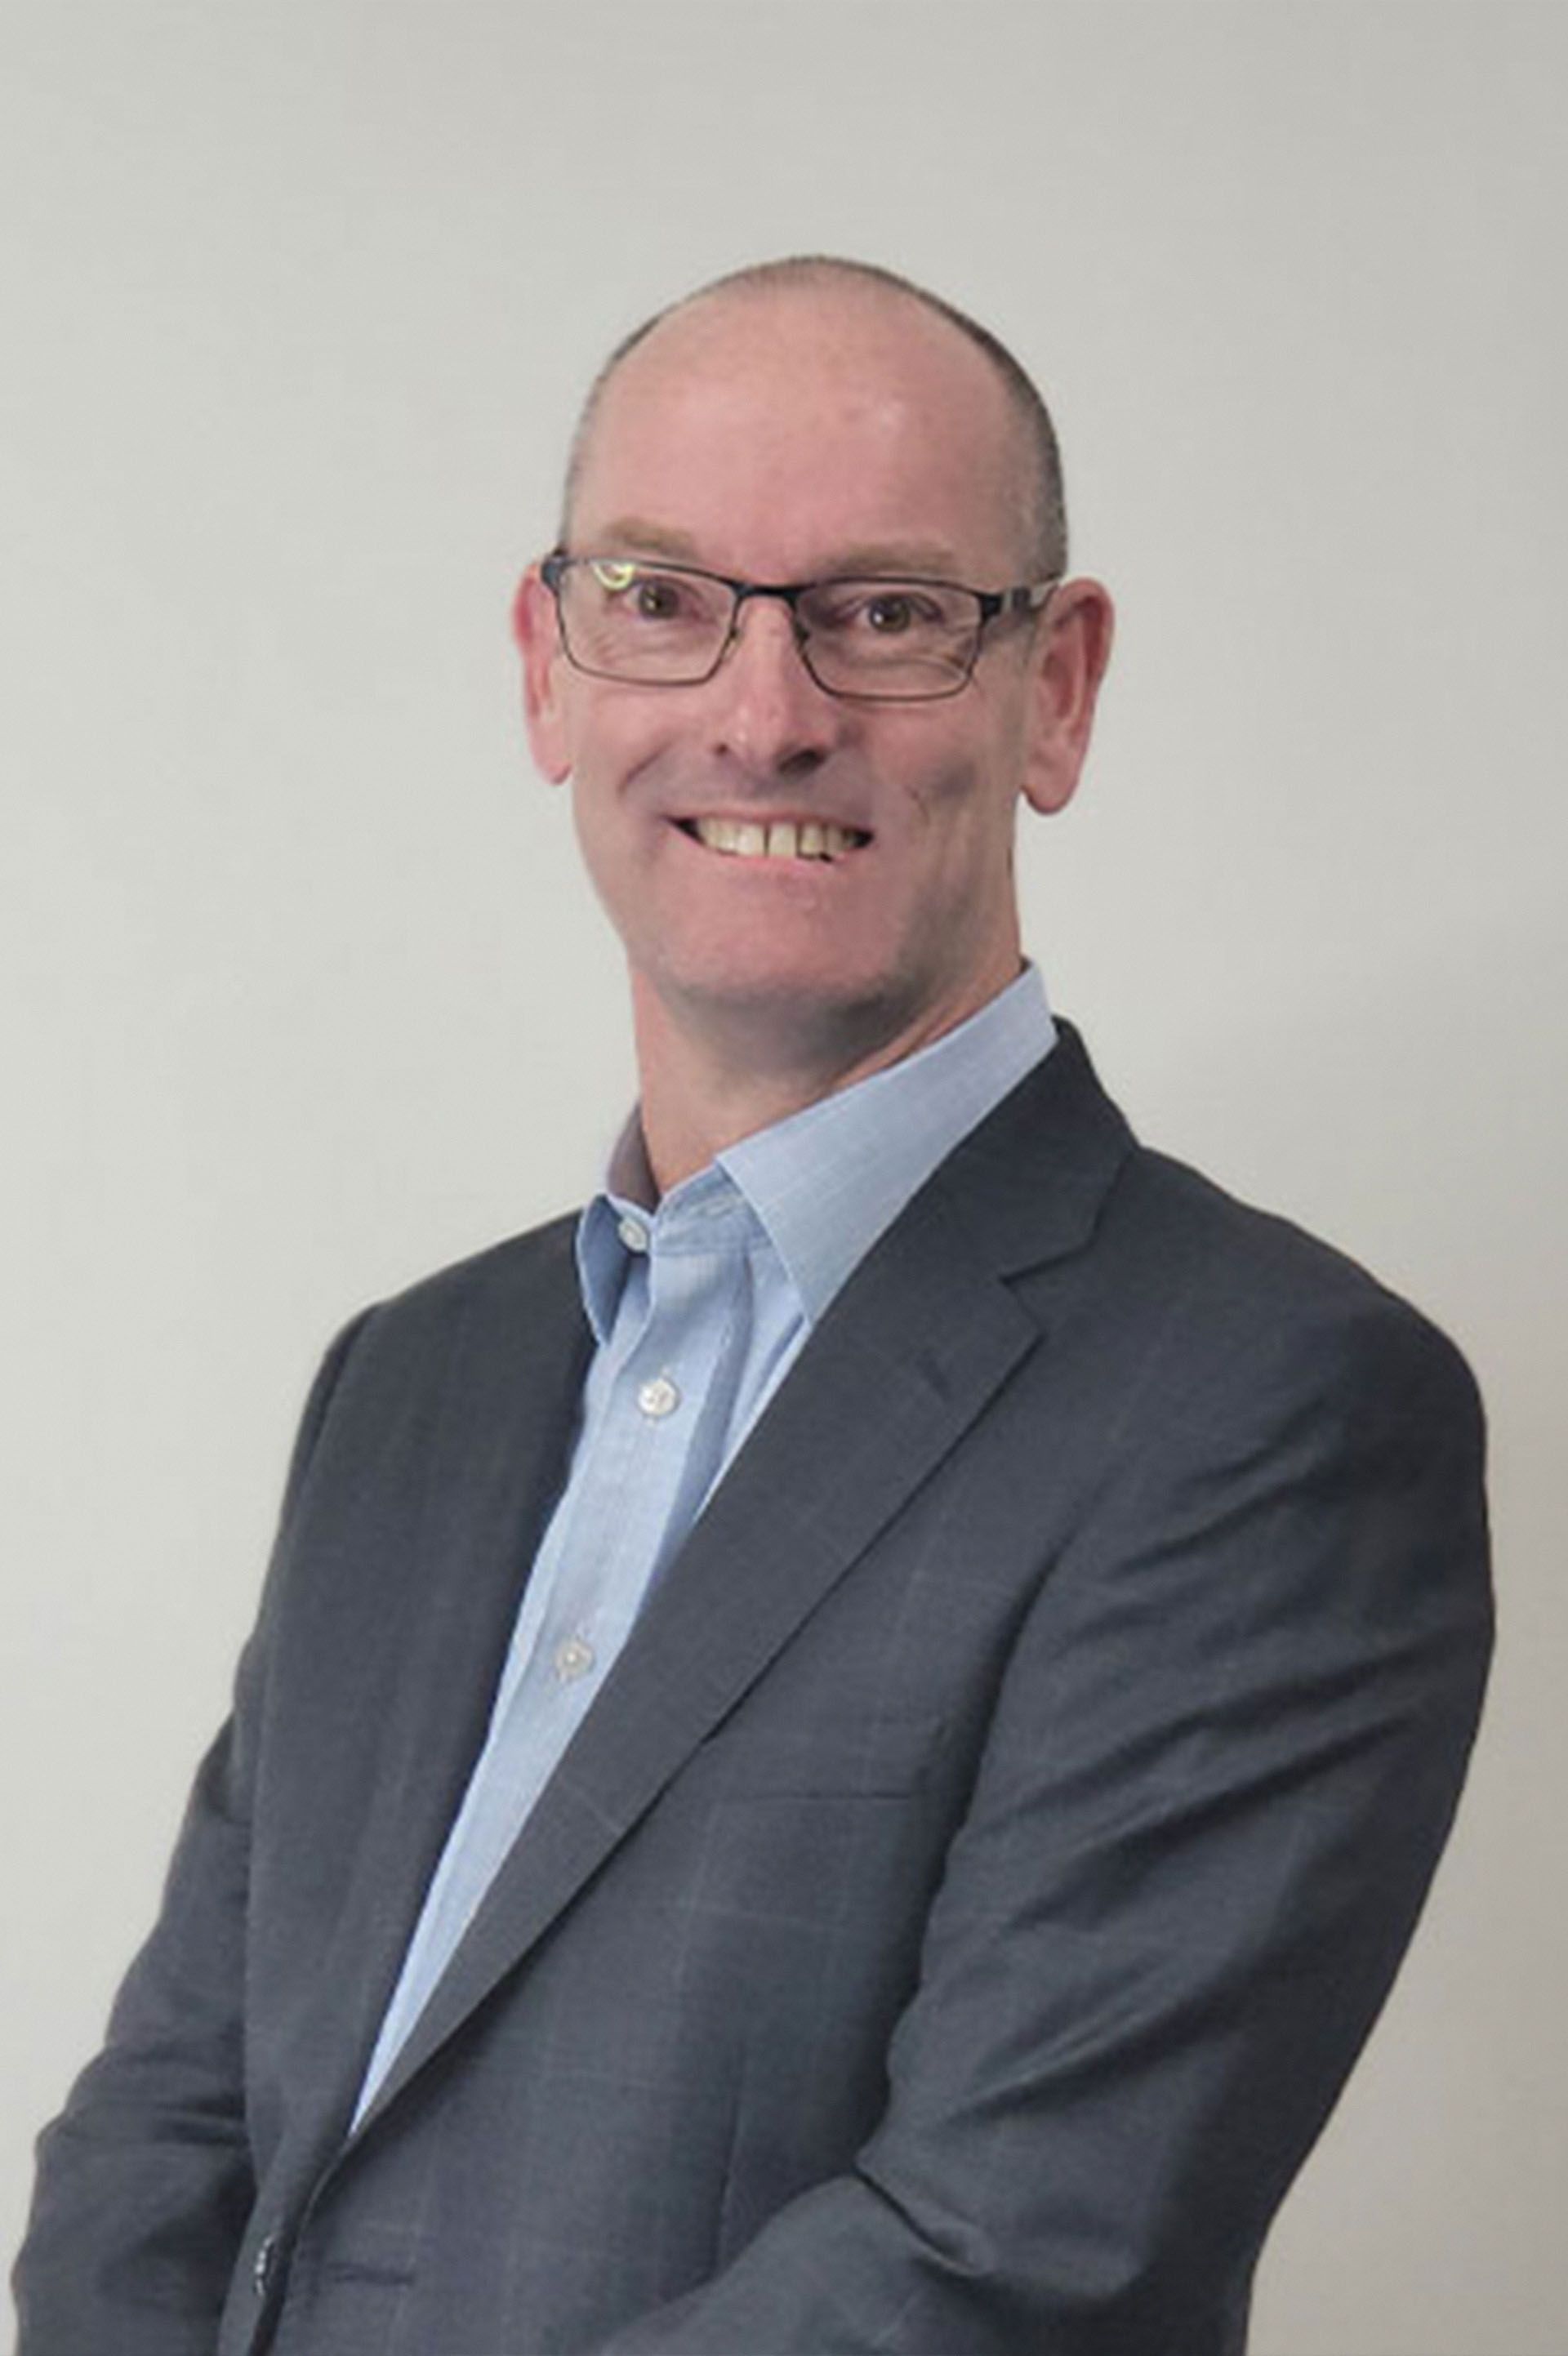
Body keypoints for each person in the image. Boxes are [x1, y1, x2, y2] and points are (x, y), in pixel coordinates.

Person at [14, 256, 1492, 2356]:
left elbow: (1006, 2270)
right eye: (663, 597)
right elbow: (165, 2135)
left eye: (886, 612)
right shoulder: (408, 1385)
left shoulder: (1268, 1409)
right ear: (549, 668)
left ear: (1053, 689)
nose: (765, 708)